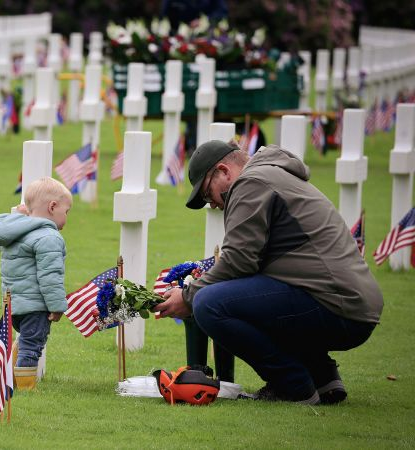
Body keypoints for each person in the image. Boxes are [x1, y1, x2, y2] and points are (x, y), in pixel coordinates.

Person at [153, 141, 383, 404]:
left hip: (339, 304)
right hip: (350, 303)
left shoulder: (251, 183)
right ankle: (322, 376)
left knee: (209, 304)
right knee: (248, 295)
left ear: (224, 171)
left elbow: (239, 261)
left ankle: (293, 385)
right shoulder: (271, 174)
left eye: (208, 194)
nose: (213, 205)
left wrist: (188, 295)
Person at [0, 177, 72, 390]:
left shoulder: (16, 232)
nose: (66, 217)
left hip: (14, 305)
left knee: (25, 341)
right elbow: (50, 276)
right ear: (52, 207)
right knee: (32, 347)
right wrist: (57, 306)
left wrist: (19, 215)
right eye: (66, 211)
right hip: (36, 306)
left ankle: (12, 378)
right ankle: (25, 388)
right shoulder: (48, 237)